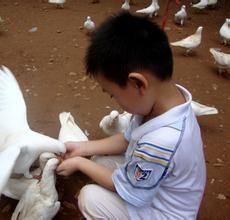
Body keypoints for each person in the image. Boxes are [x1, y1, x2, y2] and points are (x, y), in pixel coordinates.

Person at [56, 12, 206, 220]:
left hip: (166, 213)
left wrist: (80, 163)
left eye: (113, 94)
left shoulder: (162, 141)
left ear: (138, 84)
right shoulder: (164, 102)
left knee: (90, 198)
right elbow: (129, 138)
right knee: (99, 160)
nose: (115, 101)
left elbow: (124, 187)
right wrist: (84, 147)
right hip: (158, 186)